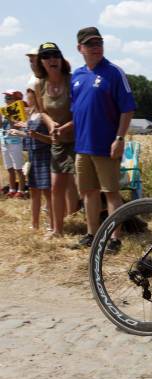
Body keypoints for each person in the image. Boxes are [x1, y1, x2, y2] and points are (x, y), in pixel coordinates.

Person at [71, 27, 136, 250]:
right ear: (80, 48)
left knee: (111, 193)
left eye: (99, 42)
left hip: (106, 145)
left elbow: (127, 110)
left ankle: (115, 238)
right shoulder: (77, 76)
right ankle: (92, 233)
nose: (96, 47)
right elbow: (78, 110)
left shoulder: (114, 72)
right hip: (82, 147)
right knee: (88, 193)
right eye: (90, 44)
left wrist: (119, 138)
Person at [35, 41, 80, 236]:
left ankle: (96, 229)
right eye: (46, 56)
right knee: (56, 187)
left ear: (61, 58)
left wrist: (68, 126)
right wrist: (52, 124)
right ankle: (57, 230)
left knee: (86, 186)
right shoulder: (40, 84)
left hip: (80, 139)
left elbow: (82, 110)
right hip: (58, 142)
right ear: (41, 62)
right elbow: (42, 111)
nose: (51, 59)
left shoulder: (73, 80)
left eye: (55, 54)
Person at [9, 89, 53, 229]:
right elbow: (30, 134)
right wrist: (20, 132)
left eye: (30, 95)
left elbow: (52, 140)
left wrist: (35, 135)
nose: (28, 97)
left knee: (47, 192)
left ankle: (51, 224)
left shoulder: (44, 114)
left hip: (44, 156)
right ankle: (34, 225)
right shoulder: (31, 115)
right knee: (34, 191)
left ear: (37, 97)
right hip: (33, 157)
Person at [1, 90, 27, 198]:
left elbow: (17, 126)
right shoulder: (3, 111)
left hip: (15, 142)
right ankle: (12, 189)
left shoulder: (19, 111)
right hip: (4, 141)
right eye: (5, 98)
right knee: (9, 168)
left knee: (18, 168)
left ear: (16, 99)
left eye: (9, 98)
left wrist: (10, 116)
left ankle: (21, 190)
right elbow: (1, 126)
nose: (6, 100)